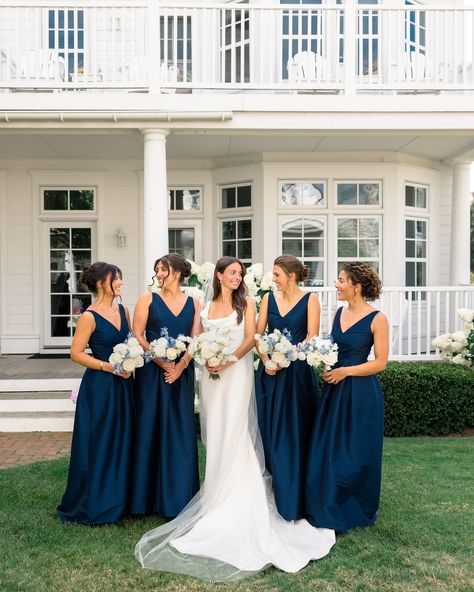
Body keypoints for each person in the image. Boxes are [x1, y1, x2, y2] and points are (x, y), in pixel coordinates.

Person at [135, 256, 335, 582]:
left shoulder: (248, 304)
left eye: (239, 273)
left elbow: (250, 340)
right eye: (231, 273)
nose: (236, 277)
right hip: (211, 379)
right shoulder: (205, 303)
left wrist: (226, 360)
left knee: (237, 429)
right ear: (218, 275)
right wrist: (204, 357)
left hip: (236, 373)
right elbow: (197, 338)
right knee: (215, 432)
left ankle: (240, 494)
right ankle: (215, 491)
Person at [305, 262, 389, 534]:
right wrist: (325, 361)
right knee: (329, 448)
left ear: (357, 286)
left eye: (341, 280)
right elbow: (332, 347)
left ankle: (356, 506)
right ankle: (327, 501)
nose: (336, 284)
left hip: (361, 393)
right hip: (334, 390)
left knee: (356, 451)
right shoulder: (338, 312)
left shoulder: (378, 319)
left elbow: (380, 363)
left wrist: (346, 372)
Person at [57, 262, 134, 525]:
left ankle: (120, 499)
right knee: (99, 442)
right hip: (100, 387)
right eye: (116, 278)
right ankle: (95, 501)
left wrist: (129, 363)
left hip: (124, 385)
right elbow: (75, 353)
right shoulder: (89, 316)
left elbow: (130, 342)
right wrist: (107, 366)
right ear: (102, 283)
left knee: (122, 440)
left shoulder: (124, 309)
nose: (120, 282)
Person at [129, 254, 200, 517]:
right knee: (149, 427)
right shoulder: (147, 299)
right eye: (157, 269)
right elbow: (137, 333)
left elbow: (196, 338)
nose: (159, 274)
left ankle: (179, 498)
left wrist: (179, 366)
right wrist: (161, 362)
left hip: (181, 373)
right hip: (151, 373)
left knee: (179, 431)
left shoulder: (195, 303)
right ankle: (144, 501)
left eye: (164, 269)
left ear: (179, 273)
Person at [255, 254, 321, 520]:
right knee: (268, 429)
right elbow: (258, 335)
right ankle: (269, 491)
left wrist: (287, 357)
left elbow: (311, 336)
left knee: (295, 431)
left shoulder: (310, 300)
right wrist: (268, 360)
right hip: (270, 373)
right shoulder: (268, 299)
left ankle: (296, 494)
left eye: (277, 274)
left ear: (291, 276)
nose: (273, 279)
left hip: (297, 376)